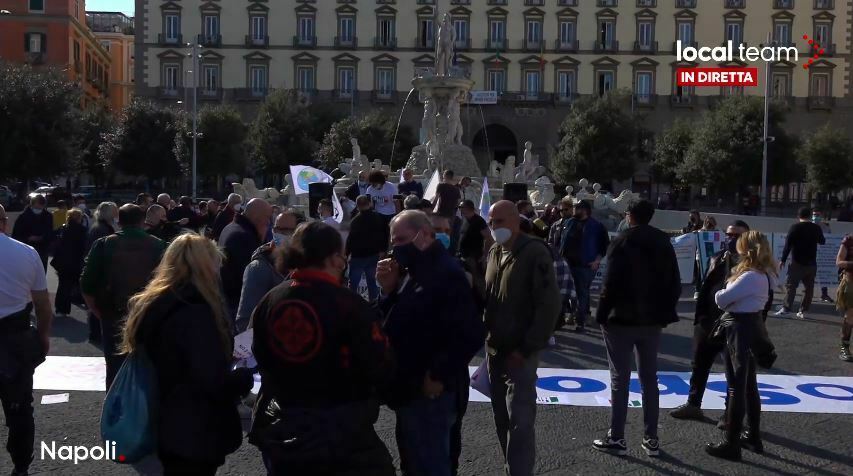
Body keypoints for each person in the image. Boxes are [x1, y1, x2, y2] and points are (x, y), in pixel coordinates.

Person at [250, 222, 396, 476]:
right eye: (342, 254)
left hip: (283, 427)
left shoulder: (270, 300)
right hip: (342, 434)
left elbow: (259, 354)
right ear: (334, 258)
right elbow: (379, 364)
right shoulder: (349, 305)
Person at [121, 234, 254, 474]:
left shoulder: (154, 301)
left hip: (161, 415)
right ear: (205, 265)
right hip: (194, 426)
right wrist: (243, 379)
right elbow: (209, 378)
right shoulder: (197, 310)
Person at [377, 210, 485, 476]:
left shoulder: (444, 273)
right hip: (410, 387)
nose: (396, 248)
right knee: (415, 461)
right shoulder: (415, 270)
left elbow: (469, 332)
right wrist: (389, 291)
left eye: (401, 240)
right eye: (393, 241)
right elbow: (397, 320)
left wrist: (437, 374)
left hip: (430, 391)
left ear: (424, 235)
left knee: (430, 464)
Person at [592, 200, 680, 457]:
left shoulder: (622, 241)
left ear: (630, 216)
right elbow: (674, 282)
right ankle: (651, 437)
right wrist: (665, 310)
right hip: (651, 319)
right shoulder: (663, 241)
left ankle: (617, 435)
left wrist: (600, 313)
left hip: (620, 318)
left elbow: (610, 283)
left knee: (620, 378)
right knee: (649, 379)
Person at [483, 201, 561, 476]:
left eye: (500, 222)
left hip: (521, 353)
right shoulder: (493, 251)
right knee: (501, 418)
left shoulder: (535, 253)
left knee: (520, 422)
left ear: (516, 221)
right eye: (492, 222)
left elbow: (549, 305)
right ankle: (511, 468)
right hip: (494, 349)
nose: (495, 228)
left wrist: (528, 346)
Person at [706, 231, 778, 461]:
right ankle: (753, 436)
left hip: (739, 327)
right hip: (751, 326)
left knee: (736, 386)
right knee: (749, 385)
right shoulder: (764, 274)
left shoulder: (749, 276)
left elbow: (721, 299)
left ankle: (731, 442)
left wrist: (722, 288)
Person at [671, 221, 750, 422]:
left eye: (736, 235)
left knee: (732, 372)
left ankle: (729, 414)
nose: (731, 239)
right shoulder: (717, 257)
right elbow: (706, 286)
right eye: (729, 235)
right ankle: (693, 404)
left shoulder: (750, 264)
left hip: (732, 324)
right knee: (699, 365)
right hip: (707, 320)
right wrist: (700, 318)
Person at [80, 204, 166, 389]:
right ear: (142, 221)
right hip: (148, 313)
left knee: (115, 367)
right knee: (149, 365)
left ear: (119, 220)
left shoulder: (104, 244)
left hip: (113, 312)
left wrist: (96, 310)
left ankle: (115, 409)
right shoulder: (159, 245)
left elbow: (86, 283)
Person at [0, 204, 53, 476]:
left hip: (14, 335)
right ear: (4, 222)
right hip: (16, 336)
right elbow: (43, 306)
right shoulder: (26, 253)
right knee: (20, 407)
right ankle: (21, 465)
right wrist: (43, 336)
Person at [234, 210, 305, 332]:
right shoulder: (258, 268)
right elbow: (244, 321)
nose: (278, 234)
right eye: (276, 229)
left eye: (285, 230)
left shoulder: (302, 264)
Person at [559, 200, 609, 333]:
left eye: (576, 208)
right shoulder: (569, 223)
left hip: (585, 266)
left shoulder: (597, 226)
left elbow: (604, 246)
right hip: (567, 265)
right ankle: (569, 315)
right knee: (567, 292)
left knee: (582, 293)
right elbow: (561, 242)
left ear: (584, 210)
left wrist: (597, 261)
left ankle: (580, 321)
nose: (573, 210)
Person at [219, 198, 272, 324]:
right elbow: (250, 276)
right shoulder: (244, 237)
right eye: (267, 218)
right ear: (257, 217)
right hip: (237, 305)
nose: (269, 222)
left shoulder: (231, 227)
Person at [775, 207, 826, 319]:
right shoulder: (816, 228)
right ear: (809, 216)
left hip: (797, 262)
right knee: (808, 288)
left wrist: (783, 259)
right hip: (811, 262)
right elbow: (822, 241)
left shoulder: (795, 227)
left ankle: (786, 308)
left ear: (798, 216)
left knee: (791, 286)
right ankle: (804, 310)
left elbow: (788, 245)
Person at [346, 195, 388, 301]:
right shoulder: (379, 217)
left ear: (358, 206)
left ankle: (351, 305)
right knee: (372, 283)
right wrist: (383, 249)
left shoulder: (355, 221)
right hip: (373, 254)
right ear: (369, 204)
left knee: (353, 284)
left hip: (358, 256)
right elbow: (385, 234)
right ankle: (374, 305)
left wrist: (346, 254)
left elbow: (350, 240)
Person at [50, 209, 88, 318]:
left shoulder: (63, 228)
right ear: (78, 218)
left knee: (63, 284)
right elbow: (83, 247)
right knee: (75, 284)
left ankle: (61, 307)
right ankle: (76, 302)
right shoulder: (81, 230)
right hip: (75, 261)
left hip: (62, 261)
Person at [11, 194, 54, 270]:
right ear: (32, 205)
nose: (39, 210)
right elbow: (16, 235)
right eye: (37, 207)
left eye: (41, 208)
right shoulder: (23, 217)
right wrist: (28, 238)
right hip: (26, 250)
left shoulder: (48, 216)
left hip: (42, 251)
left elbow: (50, 232)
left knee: (41, 273)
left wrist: (42, 238)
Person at [836, 235, 853, 362]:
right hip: (851, 283)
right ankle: (844, 347)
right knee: (850, 316)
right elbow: (839, 262)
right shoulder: (849, 240)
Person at [812, 210, 834, 303]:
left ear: (821, 216)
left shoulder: (826, 227)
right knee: (809, 275)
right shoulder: (808, 226)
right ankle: (808, 294)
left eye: (817, 215)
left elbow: (830, 239)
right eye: (813, 215)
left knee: (823, 274)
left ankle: (824, 294)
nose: (815, 217)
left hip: (823, 254)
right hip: (811, 254)